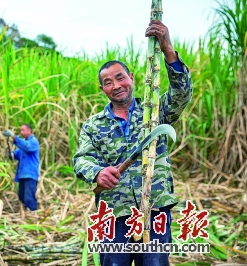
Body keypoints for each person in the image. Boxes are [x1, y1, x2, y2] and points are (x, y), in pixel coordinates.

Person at [73, 20, 192, 266]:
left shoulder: (155, 111)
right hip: (114, 212)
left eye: (120, 77)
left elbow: (182, 93)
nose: (116, 85)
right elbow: (81, 159)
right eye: (108, 82)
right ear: (102, 89)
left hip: (155, 208)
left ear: (132, 78)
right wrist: (97, 173)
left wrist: (168, 50)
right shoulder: (94, 124)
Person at [3, 124, 40, 212]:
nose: (21, 132)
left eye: (23, 130)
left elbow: (27, 146)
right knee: (21, 196)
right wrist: (9, 149)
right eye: (20, 130)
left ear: (29, 131)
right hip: (23, 174)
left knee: (29, 197)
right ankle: (26, 213)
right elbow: (15, 155)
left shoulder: (33, 142)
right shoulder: (23, 146)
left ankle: (33, 214)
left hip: (30, 174)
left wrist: (14, 137)